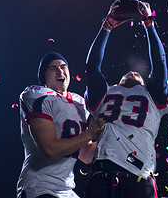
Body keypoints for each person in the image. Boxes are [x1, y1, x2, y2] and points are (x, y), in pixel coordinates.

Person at [84, 0, 168, 198]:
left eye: (139, 75)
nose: (132, 72)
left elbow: (160, 65)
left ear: (145, 83)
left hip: (138, 175)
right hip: (102, 172)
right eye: (127, 74)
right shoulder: (105, 93)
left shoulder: (153, 96)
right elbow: (92, 67)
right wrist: (106, 27)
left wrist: (149, 24)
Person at [17, 52, 105, 198]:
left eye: (64, 67)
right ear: (43, 76)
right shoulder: (37, 95)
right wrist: (90, 134)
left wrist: (112, 135)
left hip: (66, 189)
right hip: (39, 186)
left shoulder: (79, 102)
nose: (60, 71)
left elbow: (85, 155)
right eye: (52, 68)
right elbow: (49, 149)